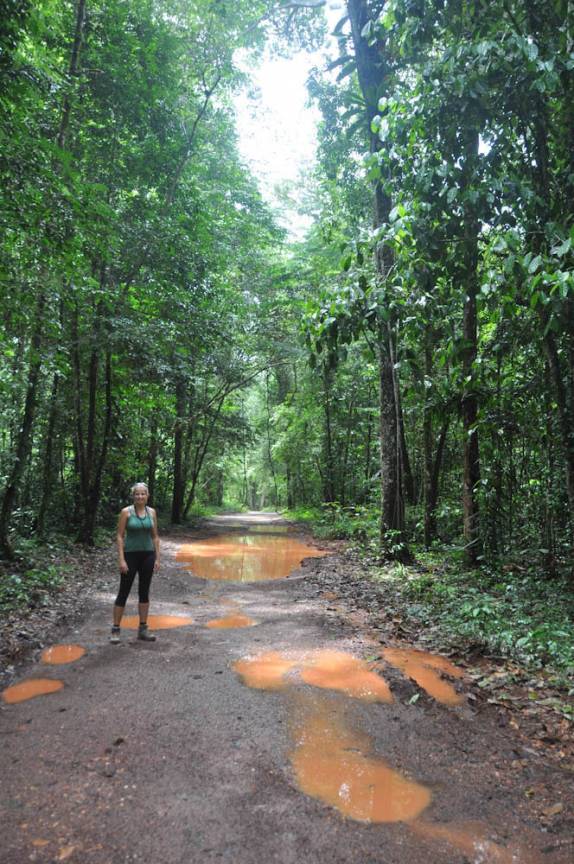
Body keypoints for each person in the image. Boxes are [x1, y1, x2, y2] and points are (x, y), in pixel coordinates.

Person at [110, 482, 160, 643]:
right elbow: (119, 536)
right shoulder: (126, 512)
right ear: (133, 496)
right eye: (137, 494)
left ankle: (143, 629)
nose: (140, 496)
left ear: (147, 496)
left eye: (143, 493)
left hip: (148, 555)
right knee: (123, 592)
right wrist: (121, 559)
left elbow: (155, 537)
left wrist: (158, 558)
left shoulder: (151, 512)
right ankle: (116, 630)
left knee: (144, 592)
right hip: (130, 555)